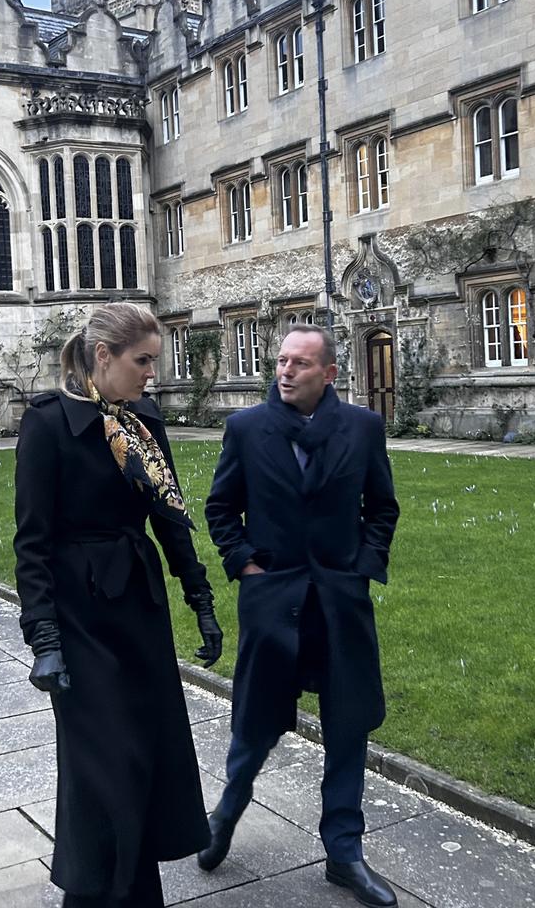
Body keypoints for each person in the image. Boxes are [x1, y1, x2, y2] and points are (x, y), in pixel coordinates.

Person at [13, 302, 222, 908]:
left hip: (139, 612)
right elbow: (32, 542)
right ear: (102, 357)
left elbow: (169, 516)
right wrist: (45, 640)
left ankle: (132, 895)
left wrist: (199, 598)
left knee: (143, 762)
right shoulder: (48, 424)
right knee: (105, 770)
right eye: (142, 361)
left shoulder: (144, 422)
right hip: (80, 621)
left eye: (154, 361)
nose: (151, 373)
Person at [201, 324, 400, 908]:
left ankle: (344, 853)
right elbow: (220, 508)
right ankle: (225, 816)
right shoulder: (246, 429)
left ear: (329, 374)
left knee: (347, 727)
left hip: (340, 604)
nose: (285, 371)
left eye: (300, 364)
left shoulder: (362, 429)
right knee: (256, 722)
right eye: (281, 361)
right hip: (273, 603)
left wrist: (361, 567)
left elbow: (382, 507)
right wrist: (245, 568)